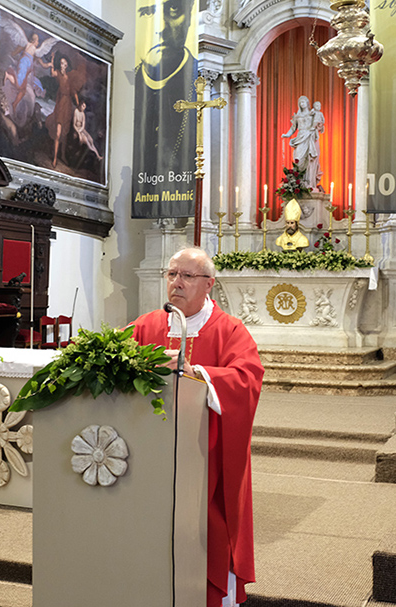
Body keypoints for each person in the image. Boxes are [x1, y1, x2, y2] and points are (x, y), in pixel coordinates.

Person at [129, 247, 264, 607]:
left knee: (206, 528)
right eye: (172, 274)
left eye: (187, 276)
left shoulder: (229, 330)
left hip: (208, 456)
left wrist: (197, 373)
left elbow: (248, 378)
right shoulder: (146, 326)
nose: (176, 282)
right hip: (151, 452)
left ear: (209, 284)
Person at [132, 0, 198, 214]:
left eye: (173, 9)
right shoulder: (136, 85)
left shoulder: (197, 84)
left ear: (190, 15)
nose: (159, 28)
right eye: (148, 12)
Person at [281, 96, 325, 192]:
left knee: (310, 160)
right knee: (298, 159)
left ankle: (310, 183)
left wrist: (319, 125)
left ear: (307, 103)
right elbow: (293, 128)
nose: (302, 104)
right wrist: (287, 135)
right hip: (300, 138)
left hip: (310, 137)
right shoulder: (297, 116)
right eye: (300, 103)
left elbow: (319, 125)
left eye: (303, 102)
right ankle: (299, 183)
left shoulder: (313, 114)